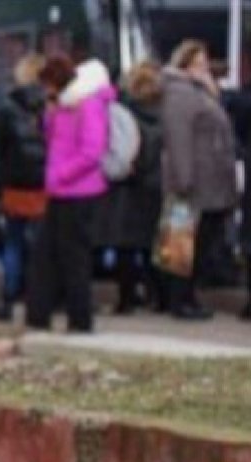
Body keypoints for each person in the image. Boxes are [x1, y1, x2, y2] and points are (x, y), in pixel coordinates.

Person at [28, 53, 115, 333]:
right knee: (47, 255)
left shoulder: (88, 105)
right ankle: (40, 314)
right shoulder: (63, 106)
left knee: (73, 257)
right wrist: (48, 116)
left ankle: (79, 318)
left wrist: (60, 175)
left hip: (79, 192)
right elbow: (52, 139)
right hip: (60, 191)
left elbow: (92, 151)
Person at [162, 40, 239, 321]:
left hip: (208, 180)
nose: (203, 68)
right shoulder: (180, 94)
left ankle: (188, 297)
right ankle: (180, 301)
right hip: (191, 182)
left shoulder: (201, 92)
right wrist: (183, 179)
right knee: (183, 244)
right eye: (197, 63)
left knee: (199, 241)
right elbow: (179, 138)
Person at [104, 62, 166, 315]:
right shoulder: (164, 114)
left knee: (125, 246)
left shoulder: (123, 112)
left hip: (127, 187)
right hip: (155, 184)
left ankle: (126, 298)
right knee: (154, 244)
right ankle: (158, 295)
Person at [0, 54, 48, 317]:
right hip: (43, 183)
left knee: (12, 242)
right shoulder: (50, 106)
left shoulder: (6, 109)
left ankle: (8, 295)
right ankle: (38, 295)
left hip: (14, 184)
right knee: (39, 244)